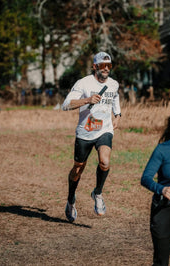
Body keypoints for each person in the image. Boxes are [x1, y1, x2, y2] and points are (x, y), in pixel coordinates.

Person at [62, 51, 121, 222]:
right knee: (78, 169)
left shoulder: (114, 84)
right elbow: (66, 105)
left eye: (109, 65)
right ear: (95, 67)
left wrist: (117, 115)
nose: (106, 69)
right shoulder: (83, 83)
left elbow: (115, 98)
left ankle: (98, 193)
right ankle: (71, 199)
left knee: (105, 161)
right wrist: (87, 100)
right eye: (103, 66)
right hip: (85, 133)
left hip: (104, 130)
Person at [141, 110, 170, 266]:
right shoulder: (163, 149)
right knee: (161, 261)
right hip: (164, 208)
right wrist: (162, 189)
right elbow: (146, 178)